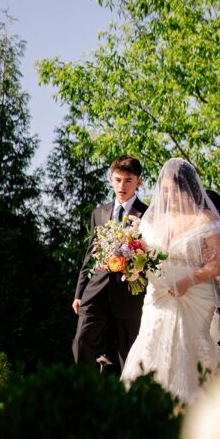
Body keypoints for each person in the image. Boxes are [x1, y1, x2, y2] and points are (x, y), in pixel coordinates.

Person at [122, 158, 220, 404]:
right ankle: (147, 406)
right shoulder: (150, 222)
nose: (169, 196)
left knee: (191, 350)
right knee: (150, 344)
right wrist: (133, 269)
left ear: (188, 189)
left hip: (193, 296)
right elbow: (140, 255)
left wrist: (189, 280)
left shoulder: (203, 219)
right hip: (158, 297)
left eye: (174, 190)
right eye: (164, 190)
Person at [72, 156, 148, 371]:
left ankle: (127, 399)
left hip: (130, 293)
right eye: (117, 179)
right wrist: (79, 293)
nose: (122, 186)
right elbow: (90, 254)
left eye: (128, 180)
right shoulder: (99, 213)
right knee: (82, 341)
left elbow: (151, 256)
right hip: (96, 290)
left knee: (128, 352)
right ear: (110, 179)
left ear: (139, 182)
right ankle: (84, 394)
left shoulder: (147, 214)